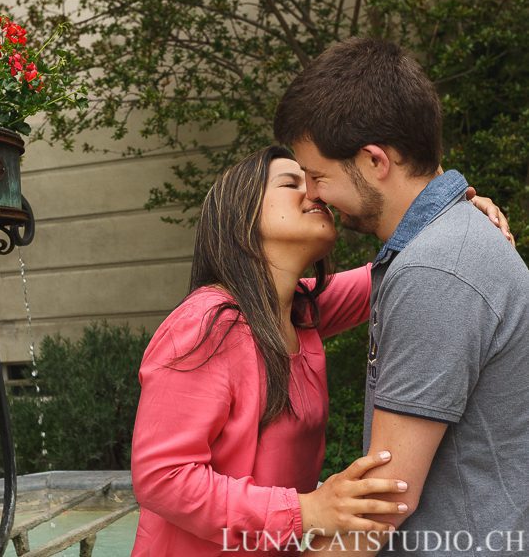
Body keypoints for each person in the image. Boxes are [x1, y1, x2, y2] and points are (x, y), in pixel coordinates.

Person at [129, 145, 508, 556]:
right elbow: (162, 477)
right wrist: (305, 510)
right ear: (242, 215)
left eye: (312, 180)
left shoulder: (300, 310)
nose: (313, 192)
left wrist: (454, 214)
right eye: (291, 183)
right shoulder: (206, 323)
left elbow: (414, 265)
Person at [274, 37, 529, 556]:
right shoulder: (443, 247)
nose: (314, 194)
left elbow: (384, 501)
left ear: (374, 161)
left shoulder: (435, 269)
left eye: (318, 176)